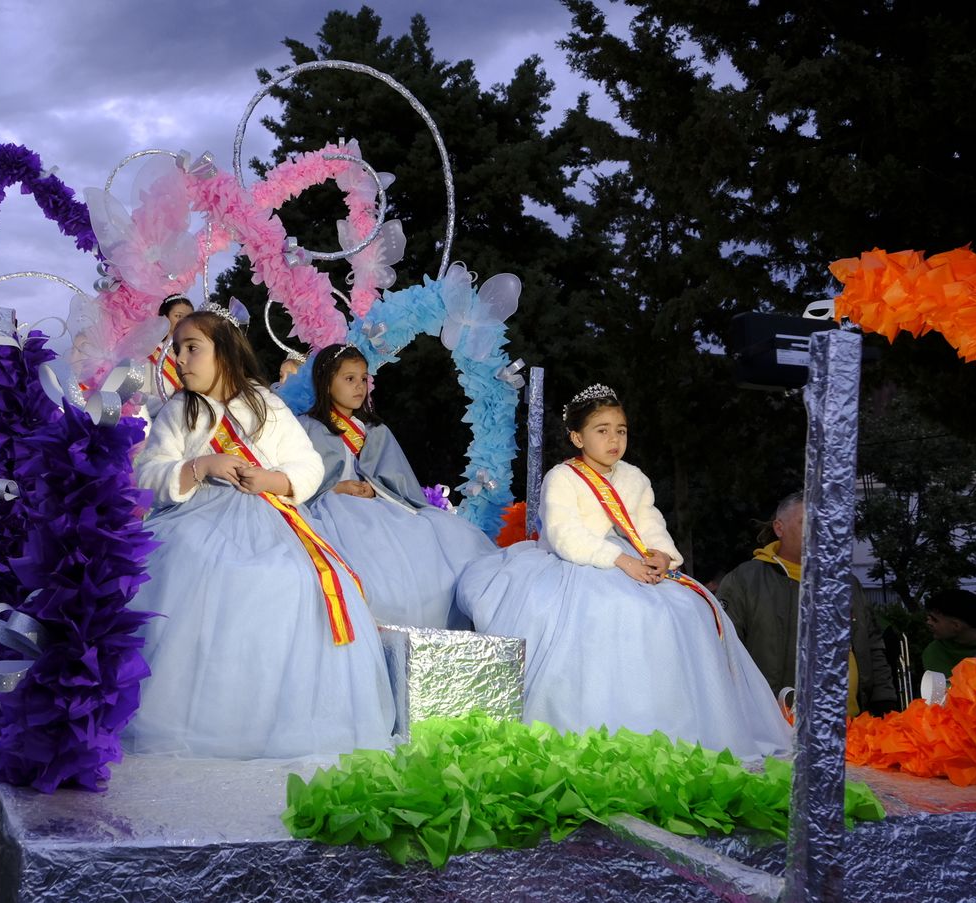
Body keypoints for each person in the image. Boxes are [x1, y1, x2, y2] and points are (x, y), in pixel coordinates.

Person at [456, 384, 790, 758]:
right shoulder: (562, 477)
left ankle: (678, 723)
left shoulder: (633, 477)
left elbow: (648, 523)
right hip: (577, 562)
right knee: (617, 609)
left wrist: (662, 555)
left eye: (621, 430)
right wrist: (620, 560)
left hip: (631, 558)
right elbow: (565, 534)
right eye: (602, 430)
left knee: (688, 609)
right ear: (577, 437)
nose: (614, 440)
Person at [126, 309, 394, 758]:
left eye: (192, 348)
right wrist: (200, 466)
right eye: (177, 350)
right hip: (195, 519)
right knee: (194, 567)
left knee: (293, 580)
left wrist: (275, 480)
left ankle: (274, 717)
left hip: (271, 519)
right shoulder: (178, 410)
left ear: (225, 353)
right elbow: (148, 476)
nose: (180, 359)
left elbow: (308, 465)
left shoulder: (265, 404)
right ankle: (201, 717)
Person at [296, 344, 493, 628]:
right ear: (326, 383)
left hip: (379, 507)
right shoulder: (307, 428)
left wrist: (375, 489)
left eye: (363, 378)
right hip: (329, 510)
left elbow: (399, 480)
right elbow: (299, 477)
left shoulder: (376, 430)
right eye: (349, 379)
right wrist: (336, 489)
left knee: (434, 535)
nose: (359, 386)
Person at [717, 492, 900, 717]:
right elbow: (723, 654)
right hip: (777, 725)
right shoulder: (745, 582)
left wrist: (884, 701)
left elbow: (872, 646)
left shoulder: (847, 583)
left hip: (852, 724)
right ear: (779, 528)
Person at [921, 587, 976, 678]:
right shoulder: (934, 652)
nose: (928, 623)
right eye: (929, 618)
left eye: (934, 620)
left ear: (956, 626)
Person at [144, 295, 194, 405]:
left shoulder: (197, 354)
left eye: (189, 318)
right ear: (165, 317)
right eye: (178, 316)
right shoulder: (151, 351)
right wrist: (173, 406)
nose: (184, 322)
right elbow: (141, 397)